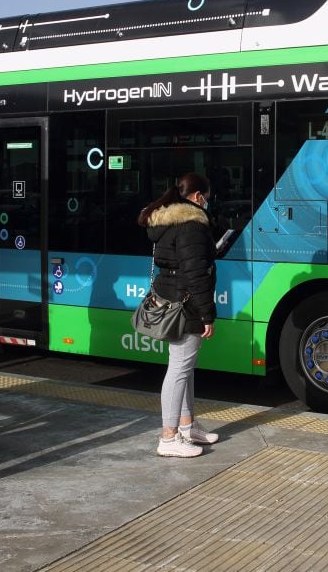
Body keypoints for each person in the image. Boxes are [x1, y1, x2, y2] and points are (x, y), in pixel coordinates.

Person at [139, 172, 219, 458]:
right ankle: (168, 437)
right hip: (186, 304)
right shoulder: (192, 225)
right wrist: (207, 314)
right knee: (179, 369)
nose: (207, 204)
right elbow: (196, 273)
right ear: (198, 197)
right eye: (207, 199)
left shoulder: (168, 220)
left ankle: (187, 426)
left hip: (173, 298)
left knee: (184, 367)